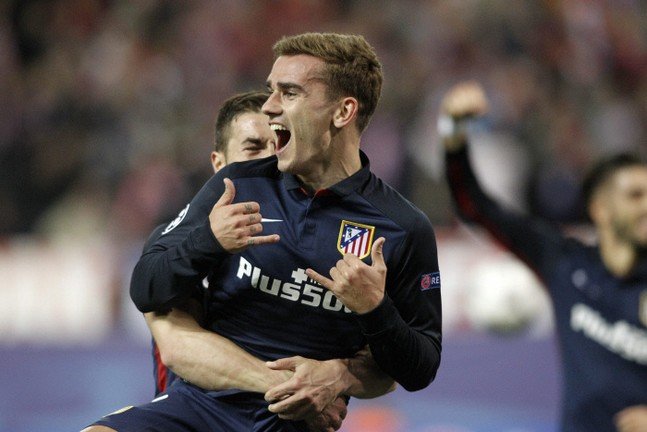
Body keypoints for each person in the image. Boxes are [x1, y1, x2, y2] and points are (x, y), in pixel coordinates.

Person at [84, 32, 442, 432]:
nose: (270, 107)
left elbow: (420, 367)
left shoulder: (402, 227)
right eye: (272, 90)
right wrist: (207, 241)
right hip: (200, 409)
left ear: (342, 112)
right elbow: (147, 288)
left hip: (295, 422)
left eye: (288, 93)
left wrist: (376, 309)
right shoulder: (239, 184)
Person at [142, 90, 383, 432]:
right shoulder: (173, 249)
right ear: (219, 165)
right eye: (253, 149)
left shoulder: (323, 247)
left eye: (279, 146)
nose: (270, 163)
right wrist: (296, 387)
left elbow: (388, 368)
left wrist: (338, 376)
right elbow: (179, 349)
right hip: (195, 419)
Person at [439, 81, 647, 432]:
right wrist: (453, 132)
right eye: (635, 195)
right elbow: (476, 206)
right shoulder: (567, 264)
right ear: (600, 209)